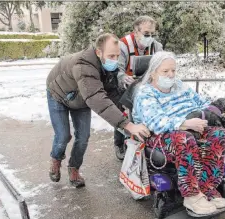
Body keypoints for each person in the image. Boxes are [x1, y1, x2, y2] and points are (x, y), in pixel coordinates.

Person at [46, 33, 150, 188]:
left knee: (83, 136)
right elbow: (96, 98)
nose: (114, 60)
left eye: (116, 55)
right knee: (63, 136)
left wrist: (125, 121)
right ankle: (55, 159)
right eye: (110, 55)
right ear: (98, 52)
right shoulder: (83, 65)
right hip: (59, 94)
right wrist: (127, 125)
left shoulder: (110, 67)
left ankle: (74, 168)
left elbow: (112, 96)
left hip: (81, 99)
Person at [132, 51, 225, 216]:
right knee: (184, 139)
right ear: (154, 73)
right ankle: (191, 196)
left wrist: (212, 111)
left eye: (173, 70)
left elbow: (202, 102)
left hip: (191, 128)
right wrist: (184, 124)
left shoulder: (180, 86)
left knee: (219, 134)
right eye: (165, 71)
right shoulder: (145, 93)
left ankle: (207, 188)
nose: (170, 75)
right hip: (159, 136)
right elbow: (156, 122)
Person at [113, 15, 163, 160]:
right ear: (136, 32)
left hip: (147, 87)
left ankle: (147, 144)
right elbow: (118, 69)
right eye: (147, 34)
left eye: (153, 34)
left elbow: (162, 66)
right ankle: (119, 143)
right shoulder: (123, 45)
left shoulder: (156, 47)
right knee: (122, 115)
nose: (150, 38)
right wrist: (123, 78)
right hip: (125, 87)